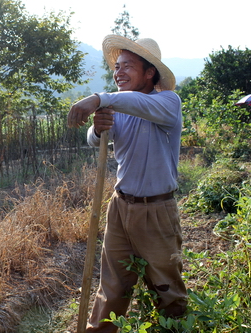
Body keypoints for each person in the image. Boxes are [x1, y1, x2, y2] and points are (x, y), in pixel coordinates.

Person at [67, 35, 188, 332]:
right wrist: (97, 129)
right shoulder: (119, 106)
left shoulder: (167, 102)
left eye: (128, 66)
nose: (118, 72)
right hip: (121, 207)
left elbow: (136, 103)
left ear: (150, 73)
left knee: (167, 290)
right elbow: (94, 139)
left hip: (157, 210)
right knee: (112, 286)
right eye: (117, 66)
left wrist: (98, 98)